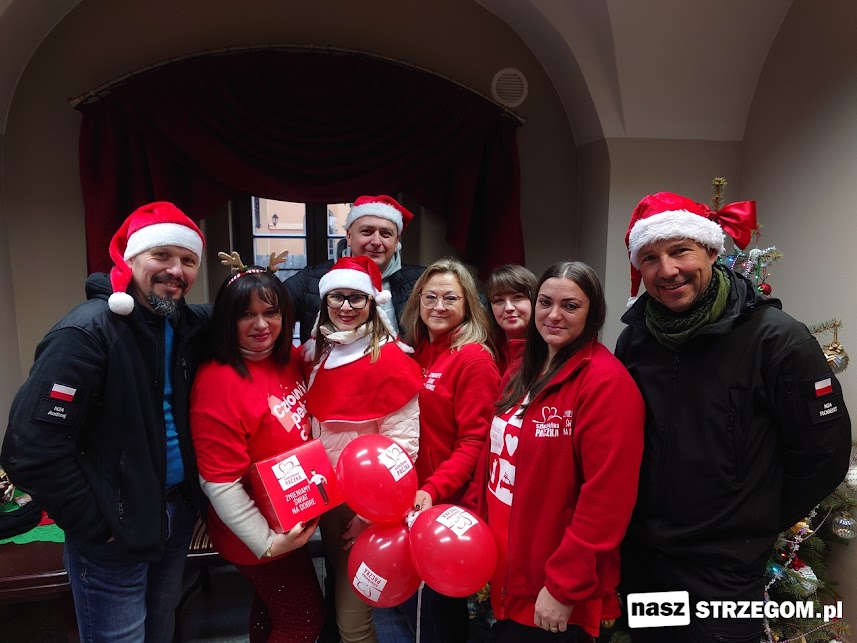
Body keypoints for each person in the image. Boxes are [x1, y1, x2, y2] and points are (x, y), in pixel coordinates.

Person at [616, 192, 852, 642]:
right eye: (650, 257)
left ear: (710, 249)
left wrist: (751, 520)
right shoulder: (636, 342)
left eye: (680, 250)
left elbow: (824, 453)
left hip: (723, 571)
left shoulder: (777, 340)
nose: (667, 270)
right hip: (646, 560)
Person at [1, 202, 211, 642]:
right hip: (113, 528)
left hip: (173, 514)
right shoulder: (86, 333)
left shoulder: (182, 325)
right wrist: (97, 524)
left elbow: (246, 313)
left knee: (160, 629)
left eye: (188, 260)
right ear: (130, 259)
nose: (176, 270)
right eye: (162, 256)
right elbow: (30, 448)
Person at [462, 261, 644, 643]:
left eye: (570, 306)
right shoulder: (519, 372)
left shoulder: (606, 384)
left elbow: (606, 499)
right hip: (503, 573)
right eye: (545, 302)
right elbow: (493, 463)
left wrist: (563, 586)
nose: (553, 315)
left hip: (554, 592)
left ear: (592, 312)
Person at [189, 258, 323, 642]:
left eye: (271, 312)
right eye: (246, 315)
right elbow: (220, 483)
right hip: (259, 534)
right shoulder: (218, 384)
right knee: (303, 620)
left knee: (271, 609)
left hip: (290, 518)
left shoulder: (286, 360)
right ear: (226, 323)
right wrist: (266, 543)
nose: (261, 325)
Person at [305, 255, 423, 643]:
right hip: (330, 502)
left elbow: (402, 450)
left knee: (352, 624)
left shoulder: (389, 358)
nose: (346, 307)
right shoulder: (322, 356)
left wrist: (371, 516)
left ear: (373, 303)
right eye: (337, 297)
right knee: (338, 592)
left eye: (357, 299)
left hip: (370, 508)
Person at [400, 257, 501, 642]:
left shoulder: (474, 359)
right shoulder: (415, 351)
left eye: (450, 298)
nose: (438, 306)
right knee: (412, 611)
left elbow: (475, 442)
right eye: (430, 297)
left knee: (438, 620)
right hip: (408, 501)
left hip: (444, 504)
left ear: (467, 306)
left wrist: (433, 489)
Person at [286, 194, 425, 342]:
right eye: (367, 231)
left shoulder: (420, 281)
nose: (376, 241)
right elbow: (268, 314)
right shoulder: (310, 280)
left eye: (386, 234)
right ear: (349, 236)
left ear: (396, 241)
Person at [487, 264, 537, 374]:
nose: (509, 308)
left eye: (517, 297)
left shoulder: (551, 349)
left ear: (534, 301)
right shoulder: (485, 351)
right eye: (499, 300)